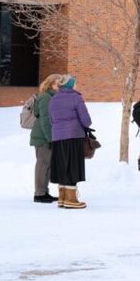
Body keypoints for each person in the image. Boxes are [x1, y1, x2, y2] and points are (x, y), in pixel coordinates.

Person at [48, 74, 92, 209]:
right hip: (73, 136)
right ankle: (71, 199)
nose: (76, 85)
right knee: (72, 166)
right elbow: (86, 120)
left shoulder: (54, 99)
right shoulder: (75, 97)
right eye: (74, 83)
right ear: (70, 85)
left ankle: (62, 197)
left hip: (57, 137)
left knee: (62, 165)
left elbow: (51, 119)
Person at [29, 74, 62, 203]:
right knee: (43, 165)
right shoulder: (45, 98)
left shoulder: (51, 97)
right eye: (58, 83)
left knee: (47, 165)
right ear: (51, 84)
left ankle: (44, 191)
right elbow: (45, 120)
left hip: (47, 135)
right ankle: (39, 194)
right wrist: (50, 138)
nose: (60, 86)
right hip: (43, 137)